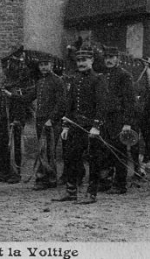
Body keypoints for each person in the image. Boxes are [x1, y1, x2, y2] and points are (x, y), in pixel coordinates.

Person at [52, 46, 108, 204]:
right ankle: (71, 192)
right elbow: (69, 104)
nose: (81, 63)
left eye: (84, 60)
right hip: (75, 125)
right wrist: (65, 126)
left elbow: (102, 105)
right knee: (70, 157)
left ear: (92, 60)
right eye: (79, 60)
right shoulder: (74, 79)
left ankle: (91, 194)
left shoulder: (98, 79)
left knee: (93, 160)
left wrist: (96, 126)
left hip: (91, 127)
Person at [3, 53, 65, 189]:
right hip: (40, 121)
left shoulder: (58, 81)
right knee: (43, 149)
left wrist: (52, 120)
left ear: (51, 65)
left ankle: (48, 179)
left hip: (51, 122)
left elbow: (61, 104)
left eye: (46, 65)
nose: (43, 67)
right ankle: (46, 178)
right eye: (41, 65)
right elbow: (28, 98)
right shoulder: (40, 82)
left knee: (49, 150)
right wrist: (12, 95)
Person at [100, 46, 138, 195]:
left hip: (119, 118)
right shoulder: (103, 76)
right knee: (105, 149)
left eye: (111, 57)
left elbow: (130, 101)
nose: (109, 60)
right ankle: (106, 181)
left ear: (117, 58)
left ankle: (120, 184)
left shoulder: (124, 75)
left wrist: (127, 122)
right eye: (106, 57)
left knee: (119, 150)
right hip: (105, 118)